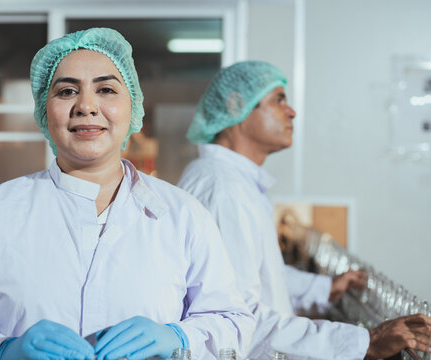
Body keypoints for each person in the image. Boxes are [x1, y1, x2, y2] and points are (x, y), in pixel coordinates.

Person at [0, 28, 255, 360]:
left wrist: (178, 339)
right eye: (67, 91)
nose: (86, 106)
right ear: (45, 109)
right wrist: (1, 350)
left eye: (106, 90)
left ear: (132, 106)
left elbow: (234, 325)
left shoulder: (183, 216)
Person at [178, 61, 431, 359]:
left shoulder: (232, 182)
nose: (292, 111)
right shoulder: (223, 190)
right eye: (278, 100)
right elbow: (238, 318)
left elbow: (258, 276)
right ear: (236, 106)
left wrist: (323, 288)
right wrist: (366, 341)